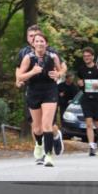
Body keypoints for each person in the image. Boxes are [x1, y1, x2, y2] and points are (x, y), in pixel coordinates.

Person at [15, 25, 66, 153]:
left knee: (48, 124)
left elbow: (63, 68)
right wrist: (18, 81)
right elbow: (18, 71)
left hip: (49, 90)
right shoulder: (24, 53)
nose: (35, 40)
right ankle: (39, 145)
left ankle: (53, 140)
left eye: (37, 37)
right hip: (32, 89)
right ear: (28, 39)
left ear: (44, 40)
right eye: (32, 37)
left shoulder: (52, 52)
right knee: (36, 126)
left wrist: (59, 74)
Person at [76, 47, 98, 156]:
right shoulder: (81, 69)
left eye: (88, 56)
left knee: (97, 123)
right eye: (84, 56)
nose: (86, 58)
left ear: (93, 57)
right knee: (88, 123)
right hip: (86, 99)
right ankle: (91, 146)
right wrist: (80, 84)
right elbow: (79, 81)